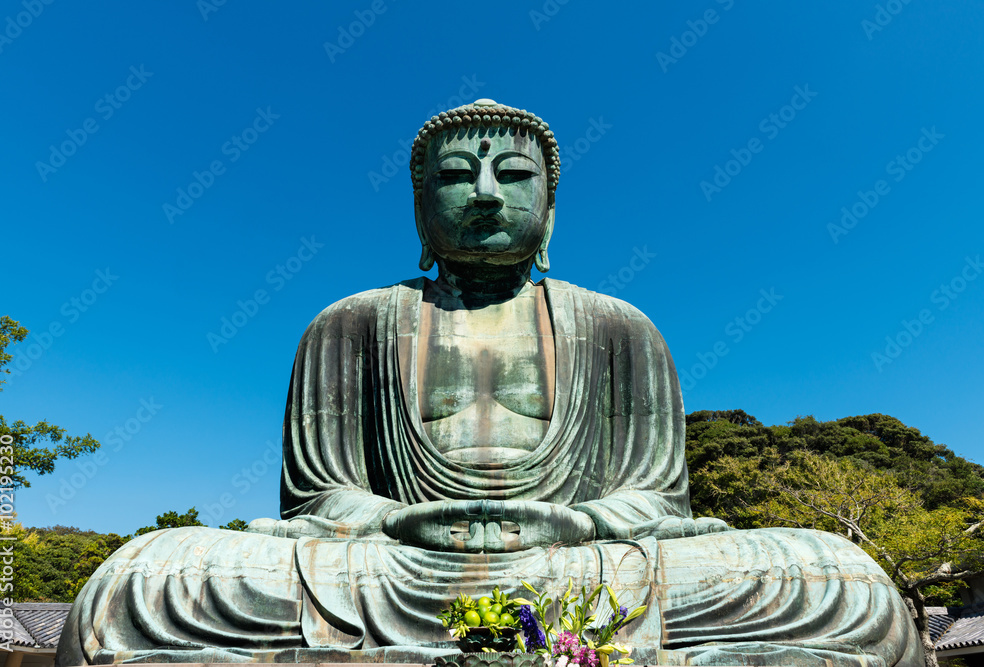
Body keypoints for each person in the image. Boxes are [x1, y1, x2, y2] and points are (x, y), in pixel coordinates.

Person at [56, 100, 923, 667]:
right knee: (147, 578)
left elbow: (657, 497)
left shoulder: (621, 328)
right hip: (392, 571)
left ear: (551, 206)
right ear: (419, 209)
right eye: (453, 176)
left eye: (513, 176)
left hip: (584, 565)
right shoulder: (349, 323)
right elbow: (318, 496)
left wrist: (578, 520)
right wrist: (394, 518)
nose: (482, 192)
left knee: (836, 578)